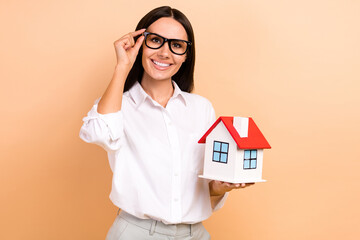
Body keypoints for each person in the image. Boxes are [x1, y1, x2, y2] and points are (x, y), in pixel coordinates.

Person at [79, 6, 254, 240]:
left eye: (177, 45)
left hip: (195, 233)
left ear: (186, 55)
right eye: (155, 40)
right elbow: (97, 133)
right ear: (139, 43)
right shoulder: (119, 106)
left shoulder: (201, 108)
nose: (164, 52)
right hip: (137, 233)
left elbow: (202, 184)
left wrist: (220, 187)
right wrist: (122, 66)